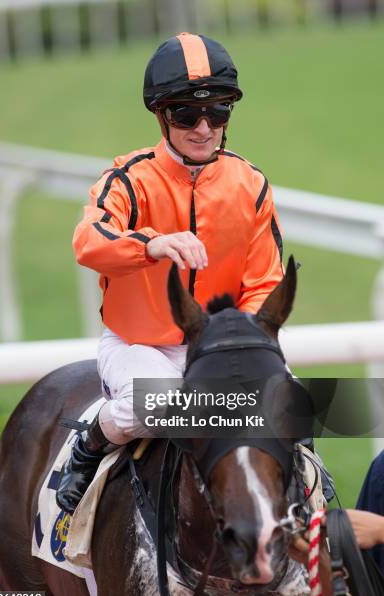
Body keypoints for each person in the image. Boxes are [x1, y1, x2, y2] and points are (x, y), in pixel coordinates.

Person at [56, 32, 284, 514]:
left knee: (292, 408)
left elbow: (265, 282)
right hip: (141, 345)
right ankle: (92, 439)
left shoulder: (251, 184)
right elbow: (87, 241)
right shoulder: (128, 179)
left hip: (221, 348)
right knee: (162, 408)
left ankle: (309, 498)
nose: (204, 128)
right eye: (186, 114)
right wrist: (151, 244)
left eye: (217, 112)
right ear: (162, 116)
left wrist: (244, 347)